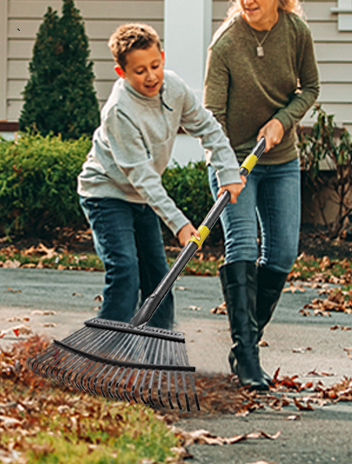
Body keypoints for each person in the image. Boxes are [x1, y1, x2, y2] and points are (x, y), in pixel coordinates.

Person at [77, 23, 245, 330]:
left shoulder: (174, 87)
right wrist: (179, 224)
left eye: (155, 65)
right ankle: (104, 352)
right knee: (125, 269)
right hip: (105, 193)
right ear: (121, 72)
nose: (151, 76)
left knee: (159, 275)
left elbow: (207, 127)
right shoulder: (119, 111)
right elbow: (142, 177)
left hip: (141, 196)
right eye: (139, 71)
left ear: (163, 57)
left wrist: (228, 169)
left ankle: (158, 345)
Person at [204, 0, 320, 390]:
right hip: (233, 162)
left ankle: (245, 342)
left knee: (283, 253)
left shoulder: (296, 33)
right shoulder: (227, 43)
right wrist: (227, 168)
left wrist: (282, 121)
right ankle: (248, 356)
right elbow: (210, 114)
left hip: (281, 159)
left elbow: (309, 88)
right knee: (242, 248)